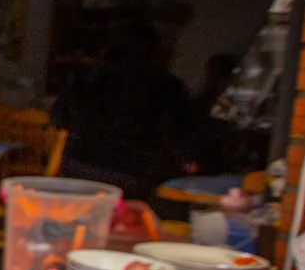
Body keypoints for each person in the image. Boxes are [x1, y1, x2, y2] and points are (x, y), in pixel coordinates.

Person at [52, 21, 197, 204]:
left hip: (80, 164)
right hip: (133, 173)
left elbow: (59, 119)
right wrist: (187, 159)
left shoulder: (86, 77)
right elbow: (175, 132)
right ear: (154, 49)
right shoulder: (166, 85)